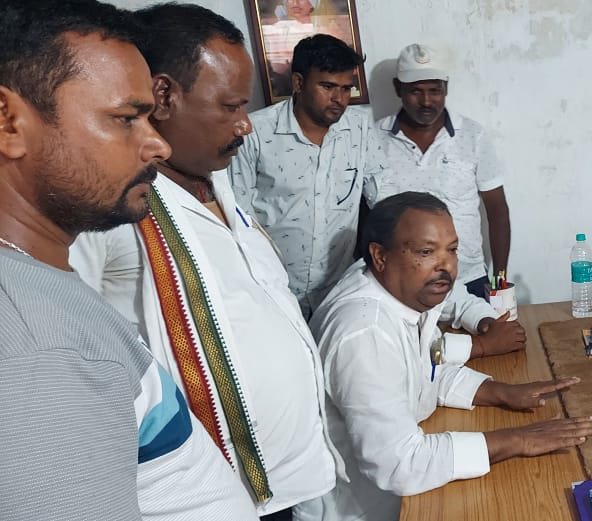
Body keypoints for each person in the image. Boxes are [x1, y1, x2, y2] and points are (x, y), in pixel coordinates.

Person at [70, 4, 336, 520]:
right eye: (231, 106)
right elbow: (77, 359)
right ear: (165, 96)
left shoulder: (213, 176)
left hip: (290, 482)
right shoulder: (110, 200)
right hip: (211, 497)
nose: (245, 125)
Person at [1, 1, 255, 519]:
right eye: (125, 119)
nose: (157, 144)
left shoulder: (40, 287)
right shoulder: (38, 350)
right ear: (9, 123)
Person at [309, 192, 592, 521]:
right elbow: (400, 464)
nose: (445, 265)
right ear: (380, 256)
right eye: (426, 252)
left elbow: (426, 370)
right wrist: (516, 439)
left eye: (451, 250)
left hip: (399, 497)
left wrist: (501, 391)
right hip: (363, 510)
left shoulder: (401, 295)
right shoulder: (364, 332)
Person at [231, 34, 380, 319]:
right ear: (298, 83)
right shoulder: (256, 133)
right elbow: (238, 218)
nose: (339, 99)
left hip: (339, 293)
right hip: (273, 292)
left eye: (346, 88)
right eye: (327, 86)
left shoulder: (359, 129)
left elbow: (385, 197)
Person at [376, 43, 511, 301]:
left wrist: (500, 278)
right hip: (401, 286)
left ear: (445, 89)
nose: (426, 101)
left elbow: (497, 210)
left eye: (434, 91)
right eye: (415, 91)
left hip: (468, 280)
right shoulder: (373, 139)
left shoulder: (472, 136)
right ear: (397, 88)